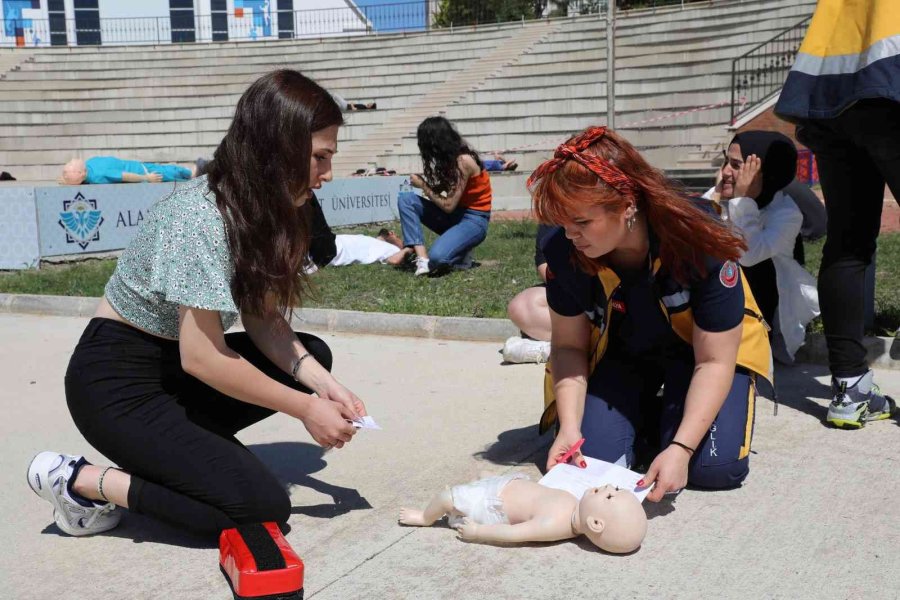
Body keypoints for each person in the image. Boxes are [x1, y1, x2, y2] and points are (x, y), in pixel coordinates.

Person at [27, 70, 367, 539]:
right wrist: (305, 409)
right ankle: (78, 481)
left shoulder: (270, 209)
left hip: (176, 373)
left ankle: (182, 457)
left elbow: (263, 317)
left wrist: (325, 387)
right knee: (259, 509)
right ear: (277, 149)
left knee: (313, 356)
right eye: (320, 158)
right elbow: (203, 357)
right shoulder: (198, 216)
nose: (328, 175)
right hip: (116, 385)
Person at [530, 126, 772, 502]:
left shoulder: (698, 239)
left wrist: (681, 448)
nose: (570, 235)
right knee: (592, 464)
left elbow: (713, 360)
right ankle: (644, 416)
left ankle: (672, 424)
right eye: (563, 223)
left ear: (627, 204)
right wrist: (570, 428)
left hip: (699, 357)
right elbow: (568, 348)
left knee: (711, 468)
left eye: (581, 222)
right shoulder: (564, 251)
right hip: (627, 356)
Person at [774, 0, 897, 428]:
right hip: (891, 83)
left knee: (848, 243)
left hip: (829, 94)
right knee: (849, 243)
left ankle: (849, 387)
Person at [703, 131, 820, 364]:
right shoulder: (725, 196)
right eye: (726, 161)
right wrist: (716, 194)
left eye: (736, 165)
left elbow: (748, 255)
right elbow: (691, 228)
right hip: (719, 301)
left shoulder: (786, 214)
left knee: (743, 262)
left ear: (764, 175)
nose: (725, 171)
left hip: (762, 298)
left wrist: (742, 201)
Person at [399, 477, 647, 553]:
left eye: (610, 496)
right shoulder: (575, 505)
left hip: (492, 503)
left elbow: (514, 533)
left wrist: (479, 532)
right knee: (459, 494)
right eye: (615, 488)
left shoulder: (554, 524)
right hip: (503, 486)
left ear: (595, 523)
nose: (607, 487)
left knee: (447, 498)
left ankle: (424, 517)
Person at [398, 116, 492, 276]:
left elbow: (448, 205)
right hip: (455, 217)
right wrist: (431, 187)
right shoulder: (450, 160)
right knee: (406, 199)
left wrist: (423, 185)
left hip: (473, 220)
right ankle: (422, 259)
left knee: (438, 258)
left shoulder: (463, 161)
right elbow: (448, 192)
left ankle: (459, 254)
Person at [502, 224, 557, 363]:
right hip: (579, 295)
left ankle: (550, 350)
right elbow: (544, 264)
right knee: (522, 307)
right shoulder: (552, 217)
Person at [61, 156, 194, 185]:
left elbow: (124, 175)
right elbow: (124, 175)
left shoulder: (93, 169)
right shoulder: (94, 169)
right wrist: (147, 178)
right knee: (171, 172)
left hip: (141, 169)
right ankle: (193, 173)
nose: (73, 159)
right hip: (141, 170)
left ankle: (193, 173)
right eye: (71, 162)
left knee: (171, 172)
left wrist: (147, 178)